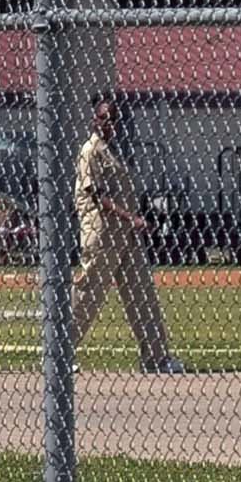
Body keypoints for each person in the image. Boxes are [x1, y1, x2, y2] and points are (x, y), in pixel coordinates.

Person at [73, 101, 185, 373]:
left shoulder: (118, 151)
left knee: (142, 293)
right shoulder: (91, 151)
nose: (109, 123)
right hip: (102, 231)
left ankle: (156, 358)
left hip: (126, 235)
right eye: (103, 118)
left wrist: (131, 222)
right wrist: (131, 218)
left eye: (113, 119)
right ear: (94, 120)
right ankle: (59, 351)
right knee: (91, 290)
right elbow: (98, 195)